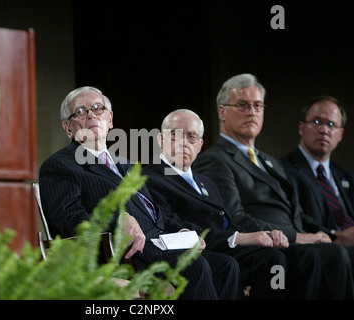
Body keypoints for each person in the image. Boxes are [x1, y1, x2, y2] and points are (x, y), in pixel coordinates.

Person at [39, 86, 245, 299]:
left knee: (227, 265)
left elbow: (156, 214)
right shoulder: (60, 165)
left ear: (109, 120)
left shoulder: (125, 164)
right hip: (122, 251)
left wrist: (185, 233)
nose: (91, 114)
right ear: (68, 128)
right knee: (196, 266)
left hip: (159, 242)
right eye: (81, 112)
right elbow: (66, 220)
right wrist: (117, 221)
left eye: (98, 108)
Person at [192, 73, 354, 299]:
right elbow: (234, 217)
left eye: (258, 106)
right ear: (222, 111)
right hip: (263, 246)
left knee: (339, 250)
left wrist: (326, 234)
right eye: (242, 105)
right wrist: (299, 237)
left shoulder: (270, 161)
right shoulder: (215, 159)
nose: (252, 112)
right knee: (325, 255)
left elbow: (296, 213)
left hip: (293, 242)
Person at [142, 108, 329, 299]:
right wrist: (238, 237)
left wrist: (263, 234)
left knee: (297, 256)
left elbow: (227, 220)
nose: (184, 143)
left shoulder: (205, 181)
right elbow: (170, 224)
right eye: (175, 135)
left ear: (199, 145)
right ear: (160, 139)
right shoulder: (150, 178)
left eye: (191, 137)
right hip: (204, 249)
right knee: (270, 260)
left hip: (227, 245)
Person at [281, 96, 354, 247]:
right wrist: (335, 236)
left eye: (331, 124)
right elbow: (293, 219)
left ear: (340, 134)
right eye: (316, 122)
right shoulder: (282, 170)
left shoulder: (346, 176)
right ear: (301, 128)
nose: (324, 130)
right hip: (322, 250)